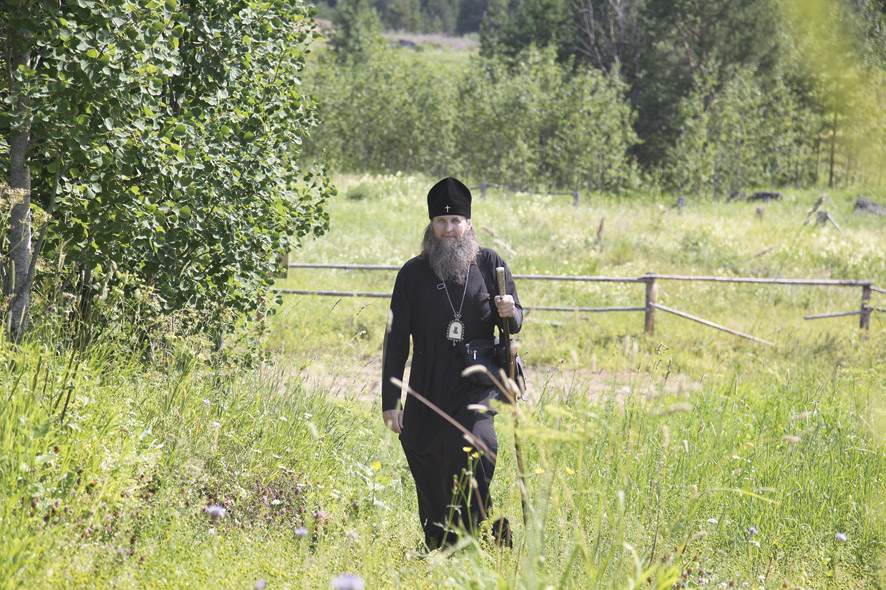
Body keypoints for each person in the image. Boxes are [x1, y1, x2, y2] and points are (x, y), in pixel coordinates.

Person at [381, 177, 523, 550]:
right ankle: (440, 541)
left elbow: (514, 321)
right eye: (441, 222)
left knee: (477, 444)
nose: (448, 229)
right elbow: (396, 342)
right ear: (431, 225)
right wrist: (390, 400)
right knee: (427, 456)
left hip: (477, 379)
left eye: (455, 221)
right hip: (427, 380)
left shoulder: (491, 264)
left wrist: (511, 311)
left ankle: (475, 531)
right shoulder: (412, 274)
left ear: (469, 224)